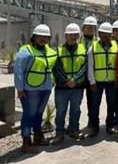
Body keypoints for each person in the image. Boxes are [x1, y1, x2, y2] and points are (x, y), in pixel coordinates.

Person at [15, 24, 57, 153]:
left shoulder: (50, 51)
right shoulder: (26, 51)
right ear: (34, 37)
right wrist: (20, 88)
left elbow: (54, 69)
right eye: (40, 36)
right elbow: (18, 71)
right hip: (30, 89)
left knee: (39, 114)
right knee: (29, 114)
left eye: (46, 37)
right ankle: (26, 141)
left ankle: (38, 136)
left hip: (45, 88)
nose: (43, 39)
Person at [51, 23, 87, 145]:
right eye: (70, 34)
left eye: (75, 34)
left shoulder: (82, 49)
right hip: (62, 87)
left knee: (76, 110)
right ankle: (59, 134)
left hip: (78, 87)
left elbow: (84, 66)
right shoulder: (59, 50)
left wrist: (75, 79)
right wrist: (67, 80)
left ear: (78, 35)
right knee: (61, 111)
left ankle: (74, 130)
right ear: (66, 35)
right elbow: (56, 68)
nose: (73, 36)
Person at [87, 22, 118, 137]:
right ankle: (95, 127)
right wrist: (92, 81)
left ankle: (109, 124)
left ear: (111, 35)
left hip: (111, 81)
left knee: (111, 104)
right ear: (99, 34)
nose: (105, 36)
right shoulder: (93, 48)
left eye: (108, 34)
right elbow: (90, 66)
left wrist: (117, 79)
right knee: (95, 104)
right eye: (103, 34)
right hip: (98, 82)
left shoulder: (116, 46)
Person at [81, 16, 97, 130]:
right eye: (88, 27)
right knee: (77, 101)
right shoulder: (78, 40)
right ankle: (73, 125)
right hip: (81, 76)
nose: (90, 29)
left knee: (93, 100)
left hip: (93, 75)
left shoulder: (98, 41)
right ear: (83, 28)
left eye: (92, 27)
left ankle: (92, 120)